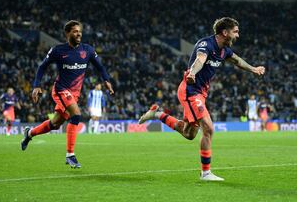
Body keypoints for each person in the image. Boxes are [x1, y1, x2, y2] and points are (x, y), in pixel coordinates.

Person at [139, 17, 265, 181]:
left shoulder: (224, 50)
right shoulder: (206, 44)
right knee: (209, 128)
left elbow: (237, 60)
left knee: (189, 133)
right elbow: (200, 60)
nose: (237, 36)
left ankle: (157, 114)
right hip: (190, 91)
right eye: (235, 32)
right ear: (225, 32)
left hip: (200, 93)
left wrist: (253, 69)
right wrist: (192, 72)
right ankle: (206, 173)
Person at [20, 20, 114, 168]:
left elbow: (100, 66)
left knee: (55, 124)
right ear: (67, 33)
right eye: (75, 31)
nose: (79, 34)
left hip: (74, 93)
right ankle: (70, 155)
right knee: (76, 114)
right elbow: (42, 66)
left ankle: (29, 133)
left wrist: (106, 80)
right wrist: (36, 85)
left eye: (80, 31)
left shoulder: (88, 50)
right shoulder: (58, 50)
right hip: (60, 89)